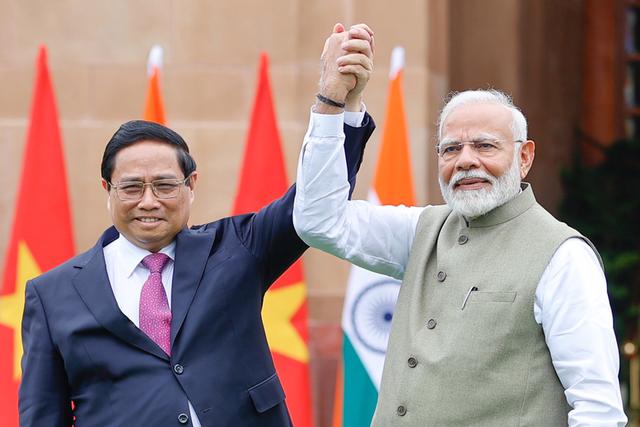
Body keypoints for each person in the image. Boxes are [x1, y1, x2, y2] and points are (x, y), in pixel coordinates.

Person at [18, 24, 374, 427]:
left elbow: (314, 202)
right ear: (108, 189)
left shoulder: (237, 248)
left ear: (191, 185)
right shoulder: (52, 295)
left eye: (165, 185)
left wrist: (336, 102)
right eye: (132, 187)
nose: (149, 201)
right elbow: (42, 416)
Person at [294, 88, 628, 425]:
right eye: (451, 148)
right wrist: (334, 102)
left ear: (524, 157)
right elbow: (320, 220)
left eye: (484, 145)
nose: (465, 160)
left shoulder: (564, 256)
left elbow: (598, 408)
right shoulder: (420, 230)